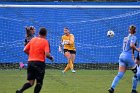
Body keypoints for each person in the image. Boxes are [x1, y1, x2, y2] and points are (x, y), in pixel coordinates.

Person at [16, 27, 53, 93]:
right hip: (39, 63)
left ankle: (20, 90)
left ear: (38, 33)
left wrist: (31, 55)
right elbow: (47, 54)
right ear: (46, 34)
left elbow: (25, 50)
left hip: (30, 62)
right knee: (39, 82)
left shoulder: (32, 40)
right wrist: (51, 58)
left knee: (31, 82)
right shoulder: (45, 41)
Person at [108, 25, 140, 93]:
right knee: (137, 73)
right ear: (135, 31)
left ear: (129, 30)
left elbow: (129, 46)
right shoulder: (133, 37)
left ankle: (112, 88)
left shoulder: (125, 38)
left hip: (122, 56)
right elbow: (131, 45)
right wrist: (137, 49)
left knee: (120, 74)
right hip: (128, 57)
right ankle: (133, 90)